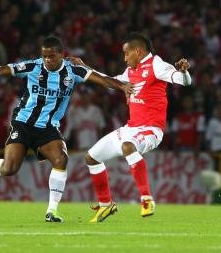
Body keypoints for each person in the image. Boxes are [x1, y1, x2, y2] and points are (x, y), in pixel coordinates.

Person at [0, 36, 133, 222]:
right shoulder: (33, 67)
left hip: (48, 127)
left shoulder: (73, 70)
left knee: (61, 158)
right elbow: (3, 69)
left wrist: (122, 86)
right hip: (23, 123)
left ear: (61, 55)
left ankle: (52, 211)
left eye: (51, 56)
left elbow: (102, 79)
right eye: (44, 56)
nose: (47, 60)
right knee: (9, 168)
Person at [73, 32, 192, 223]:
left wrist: (184, 72)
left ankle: (146, 199)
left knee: (128, 146)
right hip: (131, 128)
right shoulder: (131, 71)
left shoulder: (157, 65)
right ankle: (106, 205)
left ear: (138, 51)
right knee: (92, 157)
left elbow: (184, 82)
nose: (125, 58)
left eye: (127, 53)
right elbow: (110, 81)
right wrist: (84, 67)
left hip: (151, 130)